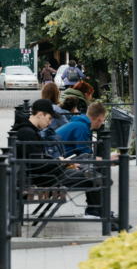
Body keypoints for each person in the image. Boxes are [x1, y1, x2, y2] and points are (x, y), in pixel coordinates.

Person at [10, 99, 116, 230]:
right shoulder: (27, 132)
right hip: (49, 176)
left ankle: (88, 171)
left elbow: (38, 159)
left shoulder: (28, 130)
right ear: (40, 114)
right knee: (94, 181)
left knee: (86, 159)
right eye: (49, 118)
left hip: (50, 172)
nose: (50, 122)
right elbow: (37, 163)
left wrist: (62, 162)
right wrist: (60, 162)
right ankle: (108, 222)